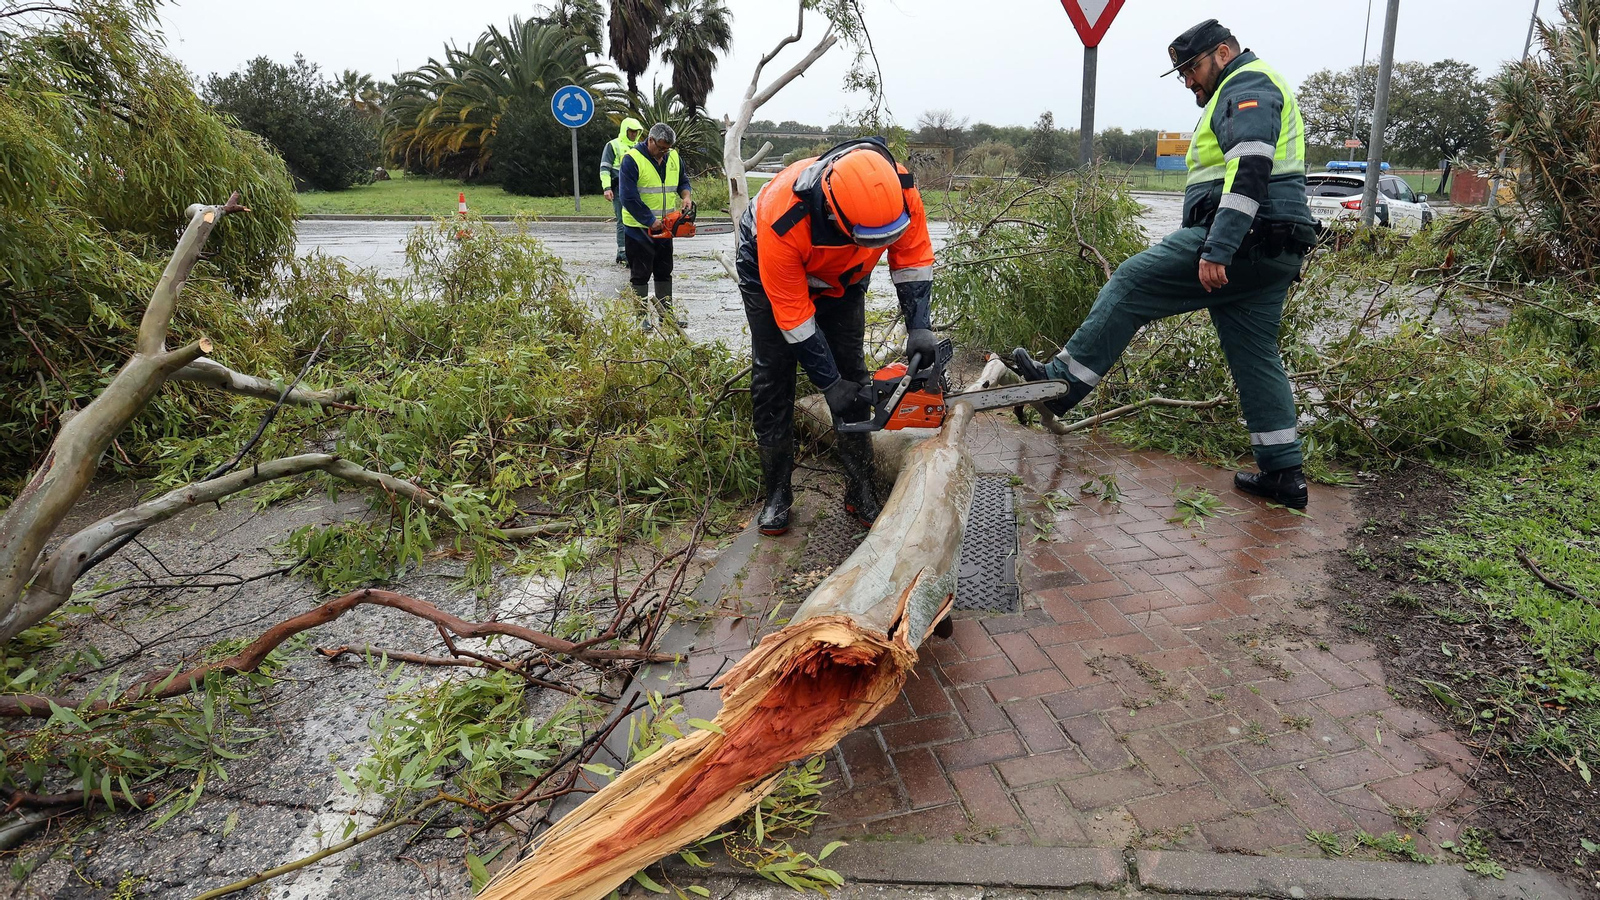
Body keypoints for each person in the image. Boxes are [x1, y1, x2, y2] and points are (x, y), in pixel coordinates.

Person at [1010, 19, 1319, 508]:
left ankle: (1060, 386)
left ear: (1222, 53)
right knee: (1255, 356)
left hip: (1245, 242)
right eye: (1181, 73)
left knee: (1131, 283)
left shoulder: (1247, 83)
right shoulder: (1241, 88)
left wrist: (1218, 247)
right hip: (1273, 250)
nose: (1189, 81)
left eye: (1192, 68)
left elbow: (1253, 163)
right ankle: (1283, 473)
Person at [736, 137, 937, 535]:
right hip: (768, 268)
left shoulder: (899, 189)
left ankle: (859, 487)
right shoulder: (783, 216)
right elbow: (794, 317)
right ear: (832, 211)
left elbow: (912, 257)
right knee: (773, 374)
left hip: (844, 277)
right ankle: (777, 492)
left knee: (852, 370)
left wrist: (919, 325)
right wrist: (827, 384)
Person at [619, 122, 693, 329]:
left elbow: (683, 181)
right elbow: (628, 197)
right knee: (640, 273)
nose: (663, 152)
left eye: (666, 148)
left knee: (664, 270)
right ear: (650, 140)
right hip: (638, 228)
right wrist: (650, 220)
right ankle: (641, 318)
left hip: (666, 227)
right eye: (660, 147)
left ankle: (665, 316)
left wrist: (686, 196)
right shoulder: (632, 160)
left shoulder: (674, 157)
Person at [600, 116, 645, 265]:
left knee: (635, 220)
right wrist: (606, 188)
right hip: (619, 188)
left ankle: (632, 250)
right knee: (622, 220)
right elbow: (604, 168)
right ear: (625, 130)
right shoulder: (613, 145)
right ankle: (622, 252)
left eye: (636, 132)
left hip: (636, 189)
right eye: (631, 131)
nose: (633, 134)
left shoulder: (639, 147)